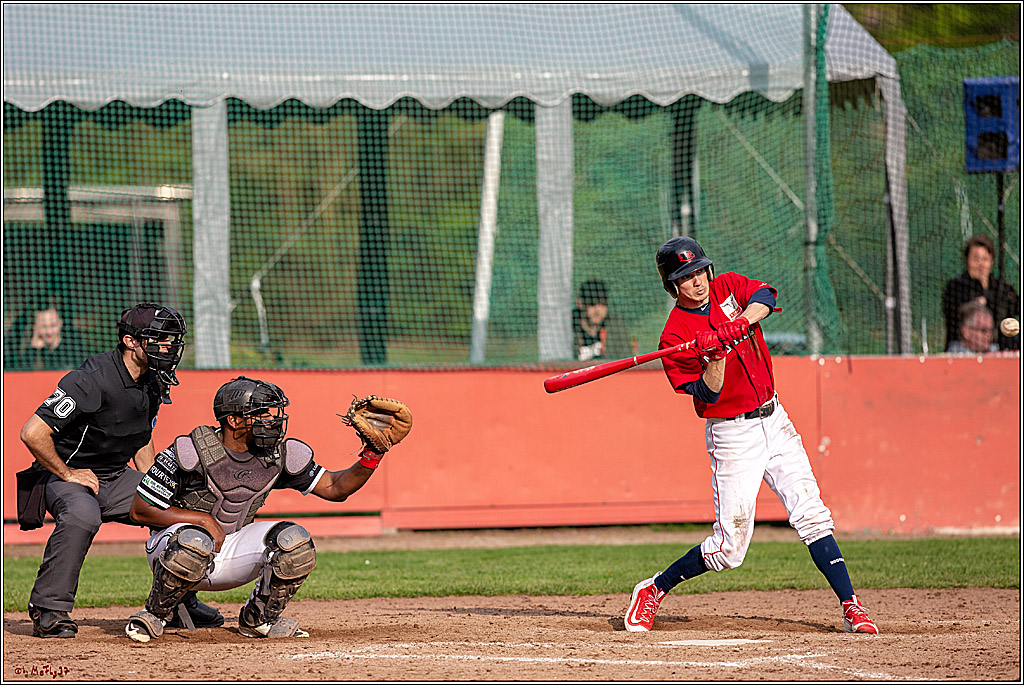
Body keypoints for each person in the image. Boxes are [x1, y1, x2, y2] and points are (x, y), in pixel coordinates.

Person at [623, 237, 878, 635]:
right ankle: (655, 589)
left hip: (775, 419)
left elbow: (764, 295)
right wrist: (714, 357)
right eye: (685, 277)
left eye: (698, 272)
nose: (697, 282)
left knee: (812, 515)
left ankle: (851, 606)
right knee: (729, 549)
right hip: (733, 434)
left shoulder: (728, 287)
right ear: (671, 286)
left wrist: (739, 323)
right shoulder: (674, 338)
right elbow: (706, 398)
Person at [123, 378, 412, 642]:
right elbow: (140, 510)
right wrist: (201, 519)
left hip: (229, 548)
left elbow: (336, 487)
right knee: (195, 540)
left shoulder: (278, 454)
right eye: (261, 414)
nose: (272, 421)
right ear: (234, 421)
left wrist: (373, 454)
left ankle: (258, 618)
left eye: (273, 413)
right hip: (173, 549)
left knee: (294, 542)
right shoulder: (189, 451)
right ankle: (156, 614)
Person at [19, 303, 221, 638]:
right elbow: (32, 432)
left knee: (182, 506)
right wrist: (69, 475)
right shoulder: (90, 380)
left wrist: (159, 483)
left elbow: (142, 437)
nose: (169, 346)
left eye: (171, 339)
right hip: (63, 473)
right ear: (131, 342)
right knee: (83, 516)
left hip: (114, 475)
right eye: (159, 339)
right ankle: (49, 609)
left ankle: (180, 598)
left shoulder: (153, 379)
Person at [942, 234, 1020, 352]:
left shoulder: (1001, 288)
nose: (981, 265)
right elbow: (955, 316)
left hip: (997, 348)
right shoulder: (956, 286)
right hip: (963, 349)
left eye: (985, 259)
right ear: (967, 260)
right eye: (975, 259)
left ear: (991, 262)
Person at [4, 301, 88, 371]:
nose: (49, 332)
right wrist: (34, 349)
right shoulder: (25, 350)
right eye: (43, 326)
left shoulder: (72, 347)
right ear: (35, 326)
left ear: (60, 323)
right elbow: (19, 374)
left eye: (53, 326)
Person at [573, 279, 630, 362]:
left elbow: (626, 361)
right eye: (592, 304)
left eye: (603, 305)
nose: (598, 311)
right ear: (580, 303)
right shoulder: (569, 327)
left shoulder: (615, 327)